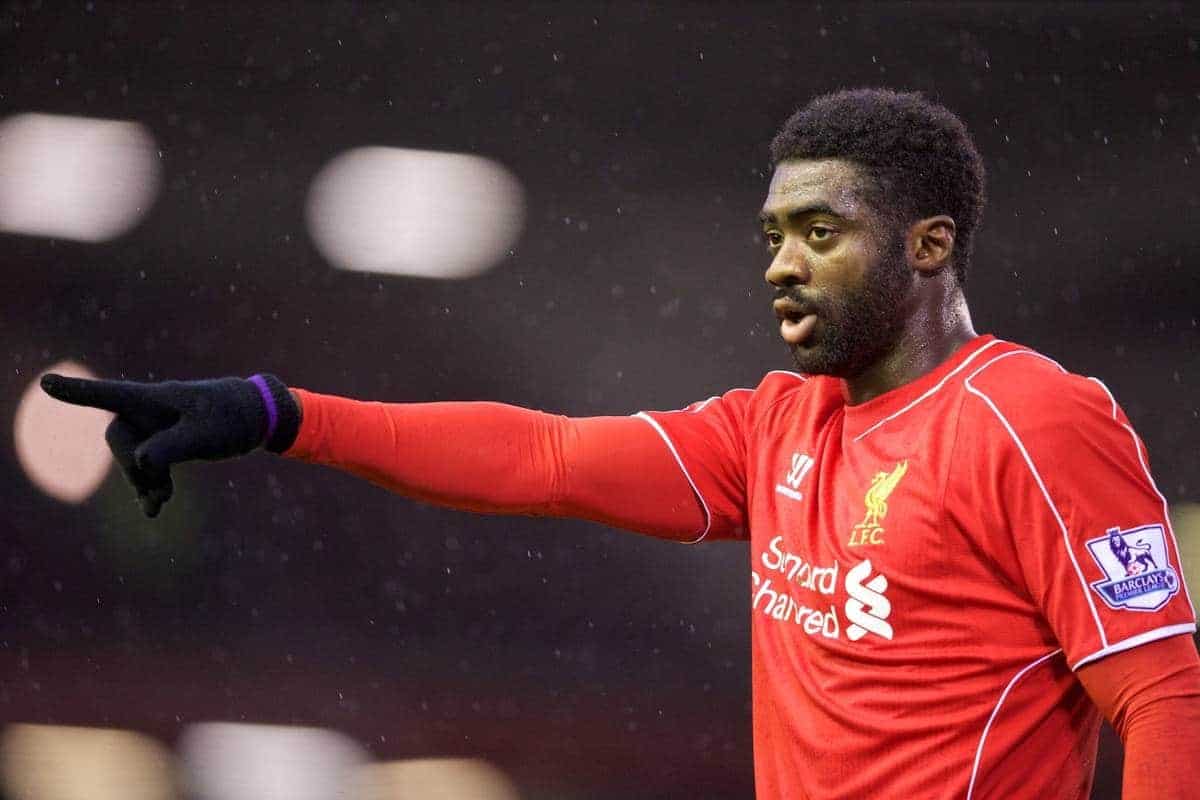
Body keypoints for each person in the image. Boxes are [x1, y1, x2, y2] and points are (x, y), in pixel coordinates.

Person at [42, 89, 1200, 799]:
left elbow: (1163, 692)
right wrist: (280, 413)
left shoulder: (1036, 419)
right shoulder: (777, 426)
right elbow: (542, 457)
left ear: (930, 243)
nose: (780, 264)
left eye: (820, 231)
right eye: (771, 234)